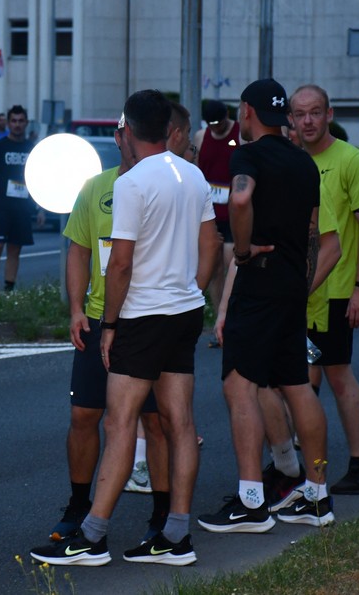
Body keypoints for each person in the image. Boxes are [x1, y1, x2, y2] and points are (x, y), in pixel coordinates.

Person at [31, 89, 217, 567]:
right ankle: (176, 534)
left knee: (118, 424)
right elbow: (209, 245)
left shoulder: (133, 184)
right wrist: (192, 292)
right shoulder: (192, 175)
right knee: (180, 423)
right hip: (183, 312)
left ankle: (91, 536)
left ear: (129, 132)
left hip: (142, 314)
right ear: (169, 129)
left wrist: (108, 325)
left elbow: (121, 265)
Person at [197, 78, 334, 534]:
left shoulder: (247, 155)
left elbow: (239, 198)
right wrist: (302, 277)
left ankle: (251, 502)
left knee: (239, 387)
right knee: (296, 384)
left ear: (248, 112)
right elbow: (313, 231)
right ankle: (317, 495)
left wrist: (240, 250)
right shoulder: (304, 162)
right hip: (295, 284)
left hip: (257, 283)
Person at [47, 114, 170, 549]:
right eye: (125, 134)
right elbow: (78, 251)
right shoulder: (96, 187)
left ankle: (162, 513)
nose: (130, 141)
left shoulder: (166, 183)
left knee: (155, 422)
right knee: (84, 416)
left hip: (149, 318)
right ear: (119, 138)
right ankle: (79, 506)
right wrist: (77, 308)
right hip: (100, 319)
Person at [290, 83, 359, 495]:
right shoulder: (293, 162)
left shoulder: (352, 161)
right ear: (290, 119)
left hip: (338, 291)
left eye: (315, 113)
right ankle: (300, 468)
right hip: (299, 294)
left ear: (329, 115)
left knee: (337, 375)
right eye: (299, 114)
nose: (307, 121)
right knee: (299, 379)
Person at [0, 105, 44, 298]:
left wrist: (40, 209)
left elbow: (41, 180)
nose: (17, 125)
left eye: (21, 121)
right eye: (13, 121)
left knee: (14, 250)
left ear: (26, 123)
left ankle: (8, 294)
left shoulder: (32, 149)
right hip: (0, 208)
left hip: (22, 208)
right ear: (8, 122)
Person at [193, 100, 240, 346]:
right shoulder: (202, 137)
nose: (216, 128)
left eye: (219, 123)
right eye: (212, 124)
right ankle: (220, 320)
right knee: (213, 268)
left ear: (227, 116)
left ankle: (231, 318)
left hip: (234, 211)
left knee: (229, 259)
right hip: (210, 211)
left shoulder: (239, 134)